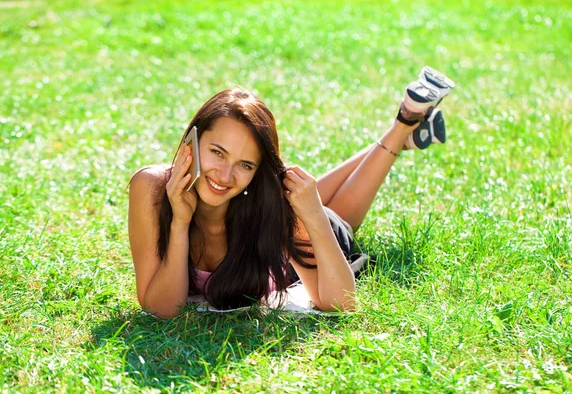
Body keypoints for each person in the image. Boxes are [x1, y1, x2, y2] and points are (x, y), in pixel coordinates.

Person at [128, 67, 454, 318]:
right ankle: (404, 128)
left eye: (245, 164)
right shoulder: (153, 188)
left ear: (259, 172)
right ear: (192, 142)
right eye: (217, 152)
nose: (224, 175)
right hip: (270, 206)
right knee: (303, 196)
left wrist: (312, 214)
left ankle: (403, 125)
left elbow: (340, 302)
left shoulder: (276, 202)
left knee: (336, 218)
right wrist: (180, 222)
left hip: (311, 234)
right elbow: (161, 309)